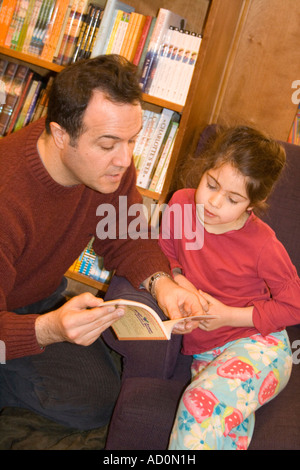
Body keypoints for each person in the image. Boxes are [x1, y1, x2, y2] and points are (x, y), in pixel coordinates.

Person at [0, 55, 203, 431]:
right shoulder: (7, 195)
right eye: (108, 143)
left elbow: (126, 236)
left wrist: (163, 284)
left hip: (35, 302)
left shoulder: (107, 171)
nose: (124, 159)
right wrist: (50, 330)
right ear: (62, 135)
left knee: (103, 395)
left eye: (132, 140)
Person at [159, 125, 300, 450]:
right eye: (211, 184)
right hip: (206, 354)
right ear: (205, 169)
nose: (213, 203)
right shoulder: (181, 205)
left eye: (233, 198)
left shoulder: (263, 245)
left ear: (254, 202)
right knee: (214, 435)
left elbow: (294, 305)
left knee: (199, 402)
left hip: (261, 347)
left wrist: (227, 316)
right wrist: (179, 280)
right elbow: (166, 249)